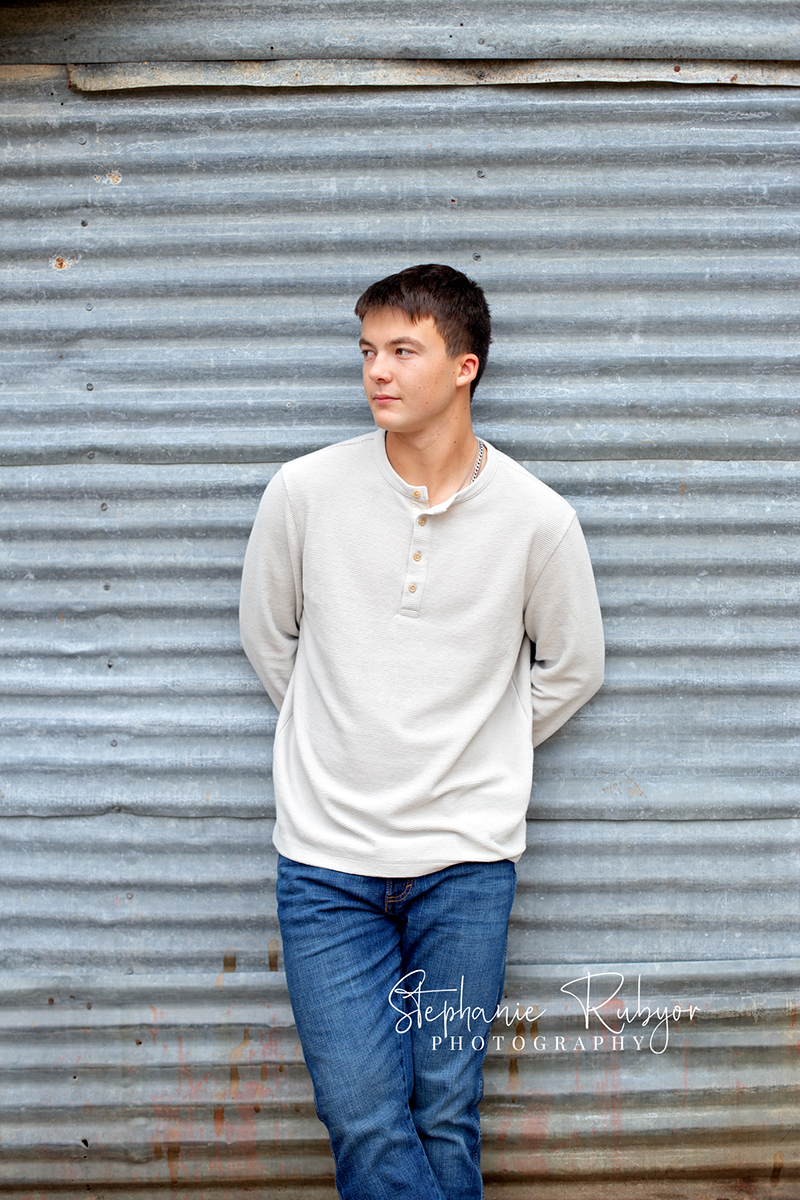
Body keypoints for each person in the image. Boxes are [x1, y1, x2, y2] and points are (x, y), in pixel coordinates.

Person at [239, 263, 604, 1200]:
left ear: (464, 366)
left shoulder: (537, 520)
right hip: (326, 866)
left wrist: (475, 747)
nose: (377, 371)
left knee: (445, 1111)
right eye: (367, 350)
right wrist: (341, 729)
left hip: (465, 868)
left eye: (403, 350)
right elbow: (269, 638)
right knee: (362, 1113)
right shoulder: (304, 492)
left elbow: (574, 667)